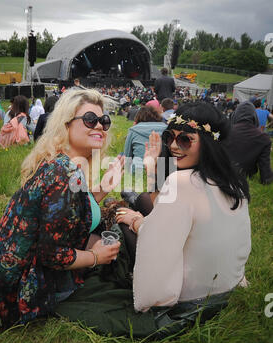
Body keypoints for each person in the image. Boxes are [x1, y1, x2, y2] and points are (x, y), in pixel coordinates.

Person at [0, 88, 124, 330]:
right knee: (112, 253)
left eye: (104, 121)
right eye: (90, 119)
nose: (99, 126)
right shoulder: (63, 173)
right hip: (16, 297)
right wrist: (96, 257)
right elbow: (52, 255)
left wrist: (105, 187)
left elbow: (75, 209)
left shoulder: (62, 161)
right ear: (66, 124)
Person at [116, 101, 251, 319]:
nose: (174, 146)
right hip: (228, 284)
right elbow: (164, 207)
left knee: (124, 223)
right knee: (143, 201)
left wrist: (135, 222)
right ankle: (133, 199)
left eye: (185, 139)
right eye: (170, 137)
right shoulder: (233, 180)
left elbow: (156, 236)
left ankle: (130, 203)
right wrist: (153, 168)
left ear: (208, 142)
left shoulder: (182, 182)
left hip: (189, 298)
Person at [224, 101, 273, 185]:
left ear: (235, 115)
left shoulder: (224, 132)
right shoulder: (264, 138)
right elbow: (266, 175)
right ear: (255, 117)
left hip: (221, 173)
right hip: (245, 175)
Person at [123, 106, 167, 171]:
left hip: (137, 169)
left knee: (121, 155)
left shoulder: (134, 130)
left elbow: (127, 155)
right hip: (162, 168)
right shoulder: (166, 128)